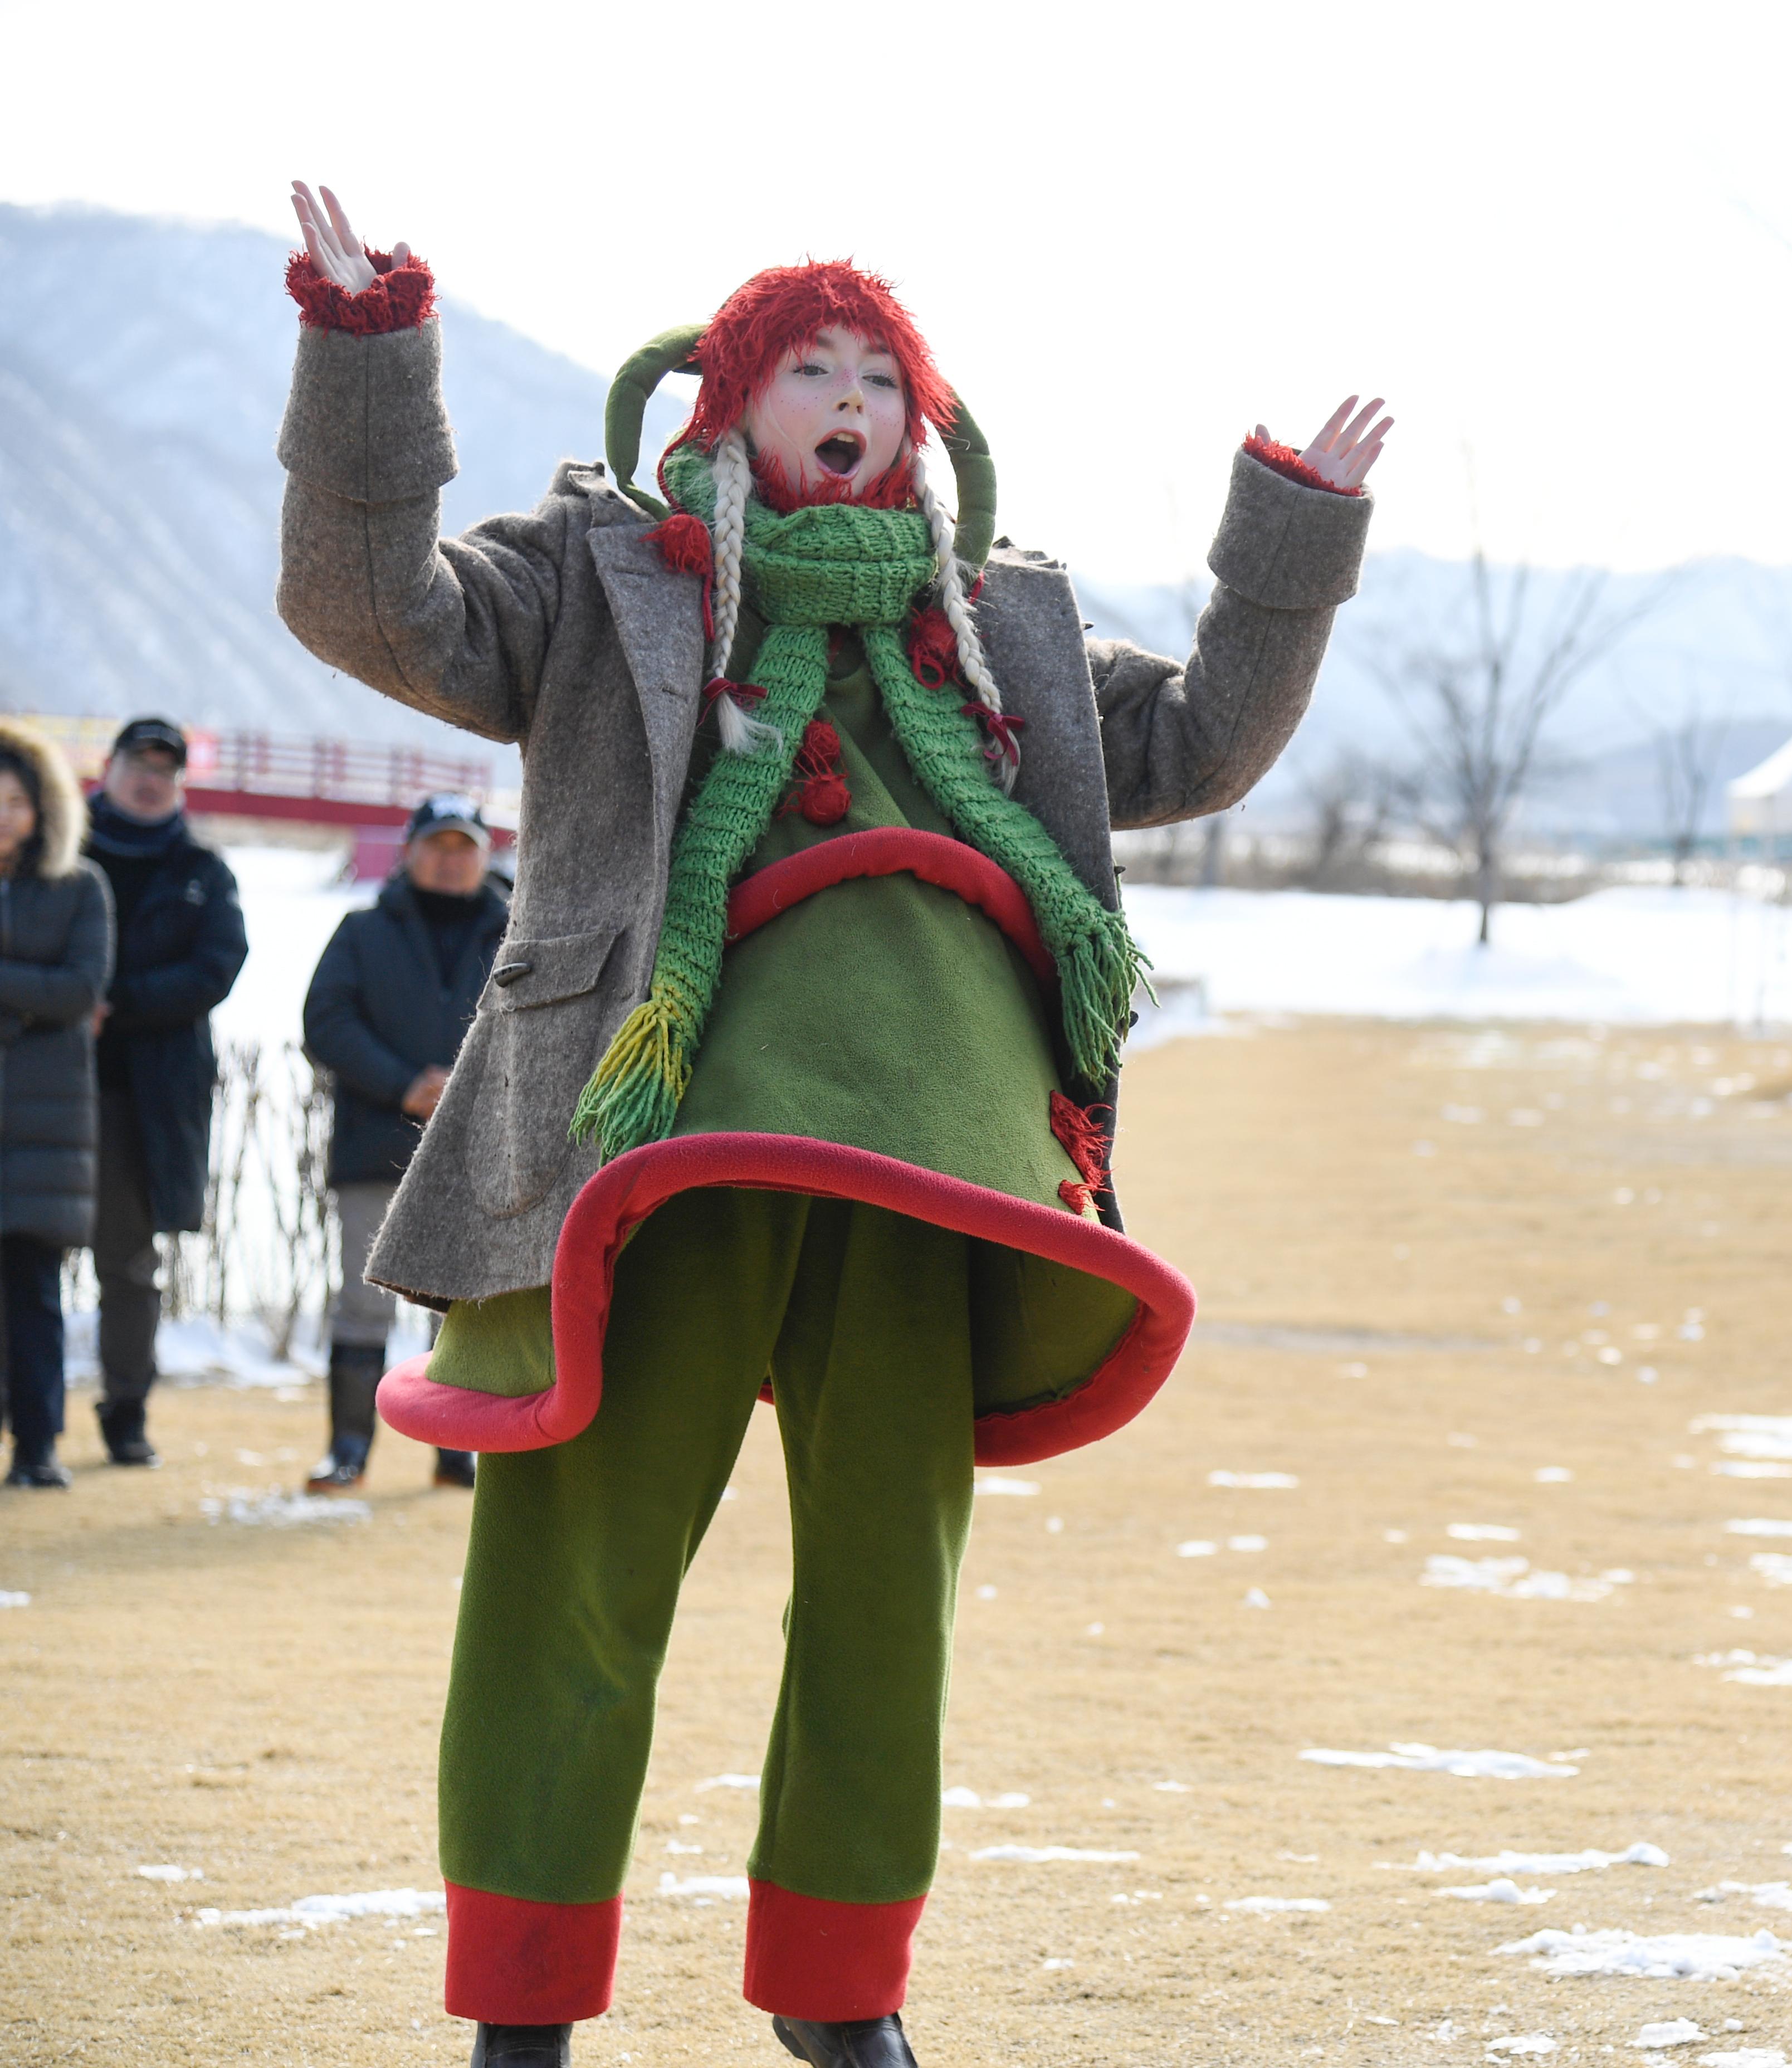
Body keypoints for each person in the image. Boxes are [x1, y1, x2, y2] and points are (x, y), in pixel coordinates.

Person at [277, 182, 1383, 2068]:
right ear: (726, 404)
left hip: (932, 1156)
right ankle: (524, 1995)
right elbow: (369, 607)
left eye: (880, 369)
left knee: (890, 1575)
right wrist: (368, 354)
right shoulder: (603, 566)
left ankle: (839, 1988)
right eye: (812, 366)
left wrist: (1291, 535)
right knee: (574, 1553)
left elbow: (1193, 747)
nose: (852, 394)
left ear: (925, 423)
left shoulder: (1002, 616)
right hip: (655, 1138)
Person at [301, 792, 509, 1492]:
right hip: (374, 1140)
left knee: (461, 1303)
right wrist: (403, 1083)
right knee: (361, 1302)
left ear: (486, 855)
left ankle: (457, 1449)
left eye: (465, 848)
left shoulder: (520, 928)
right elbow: (325, 1021)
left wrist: (467, 1087)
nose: (451, 861)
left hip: (480, 1147)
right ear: (410, 851)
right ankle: (349, 1448)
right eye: (438, 846)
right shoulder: (362, 931)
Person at [82, 714, 250, 1467]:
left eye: (166, 769)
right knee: (15, 1251)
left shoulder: (204, 871)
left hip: (147, 1099)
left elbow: (218, 966)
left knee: (127, 1261)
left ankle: (126, 1409)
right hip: (41, 1078)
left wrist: (117, 1001)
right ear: (109, 768)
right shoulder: (54, 849)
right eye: (137, 764)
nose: (150, 779)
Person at [0, 719, 114, 1489]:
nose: (3, 814)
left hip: (45, 1128)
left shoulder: (81, 888)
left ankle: (37, 1447)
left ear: (43, 809)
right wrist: (25, 1000)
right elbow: (51, 995)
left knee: (35, 1293)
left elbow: (80, 990)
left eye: (15, 801)